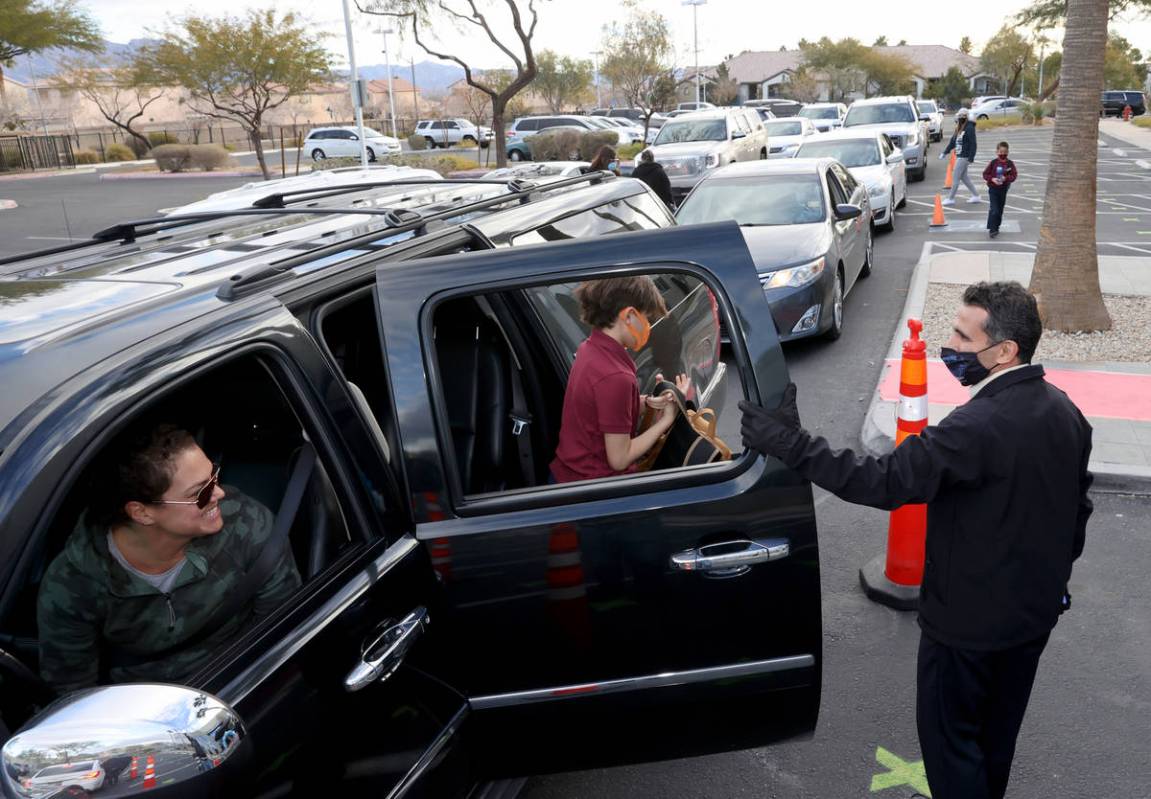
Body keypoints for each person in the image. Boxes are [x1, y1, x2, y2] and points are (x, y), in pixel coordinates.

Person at [739, 282, 1093, 799]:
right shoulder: (1066, 412)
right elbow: (1077, 511)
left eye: (960, 335)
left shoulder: (974, 427)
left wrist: (791, 444)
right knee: (996, 742)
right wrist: (1050, 582)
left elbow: (881, 480)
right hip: (1031, 619)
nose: (948, 344)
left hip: (965, 630)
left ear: (1005, 350)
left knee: (952, 752)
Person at [38, 423, 302, 693]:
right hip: (141, 708)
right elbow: (72, 688)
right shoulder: (73, 584)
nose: (219, 493)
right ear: (142, 513)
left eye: (215, 476)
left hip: (238, 679)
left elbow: (279, 627)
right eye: (200, 493)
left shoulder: (249, 526)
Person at [549, 277, 688, 483]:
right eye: (647, 318)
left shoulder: (589, 349)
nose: (649, 326)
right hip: (594, 489)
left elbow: (599, 410)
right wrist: (667, 419)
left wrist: (648, 402)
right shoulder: (615, 377)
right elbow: (620, 459)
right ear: (630, 316)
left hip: (567, 476)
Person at [940, 108, 980, 206]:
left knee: (956, 177)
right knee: (964, 177)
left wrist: (971, 157)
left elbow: (973, 144)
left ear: (966, 117)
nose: (960, 118)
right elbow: (953, 142)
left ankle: (951, 198)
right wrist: (945, 152)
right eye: (960, 116)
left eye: (962, 116)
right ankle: (976, 195)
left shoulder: (969, 128)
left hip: (964, 156)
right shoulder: (959, 127)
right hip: (960, 155)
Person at [982, 141, 1018, 239]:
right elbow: (985, 174)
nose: (1002, 154)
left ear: (1008, 152)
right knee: (994, 209)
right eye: (1000, 152)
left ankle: (996, 227)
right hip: (993, 189)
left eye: (1005, 152)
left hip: (1003, 189)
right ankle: (992, 229)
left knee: (1000, 209)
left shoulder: (1010, 164)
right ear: (996, 152)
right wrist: (992, 179)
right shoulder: (993, 163)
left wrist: (1005, 178)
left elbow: (1014, 176)